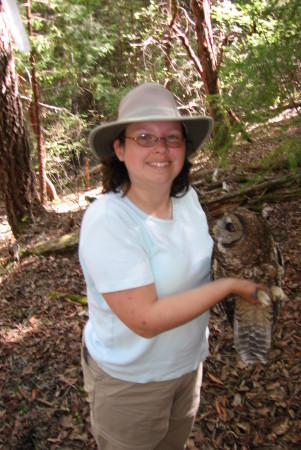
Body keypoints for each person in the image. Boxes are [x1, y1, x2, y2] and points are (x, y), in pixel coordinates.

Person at [79, 83, 258, 450]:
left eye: (171, 137)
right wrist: (231, 286)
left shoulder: (187, 199)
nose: (160, 148)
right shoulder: (108, 221)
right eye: (144, 136)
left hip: (187, 366)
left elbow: (200, 263)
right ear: (120, 148)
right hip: (132, 384)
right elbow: (146, 320)